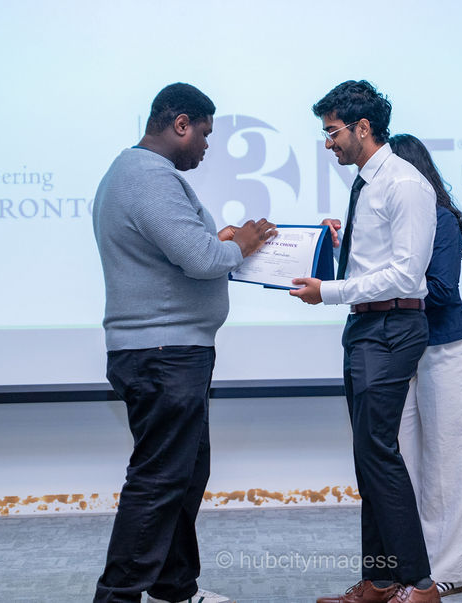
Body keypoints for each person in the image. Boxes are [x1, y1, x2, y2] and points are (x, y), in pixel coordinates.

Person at [91, 82, 276, 603]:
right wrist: (240, 244)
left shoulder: (131, 173)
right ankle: (117, 597)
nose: (206, 146)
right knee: (158, 483)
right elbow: (200, 260)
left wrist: (219, 243)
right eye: (205, 135)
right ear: (180, 125)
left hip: (165, 352)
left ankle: (174, 589)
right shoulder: (151, 177)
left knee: (182, 477)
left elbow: (176, 253)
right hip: (164, 355)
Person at [290, 80, 440, 603]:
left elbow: (405, 276)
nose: (327, 143)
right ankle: (379, 581)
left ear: (363, 127)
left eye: (332, 132)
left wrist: (329, 292)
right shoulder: (365, 183)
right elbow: (377, 262)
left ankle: (420, 585)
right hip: (365, 328)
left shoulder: (404, 184)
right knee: (368, 457)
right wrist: (338, 247)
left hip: (392, 327)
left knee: (377, 452)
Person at [388, 134, 462, 598]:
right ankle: (410, 567)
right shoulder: (387, 219)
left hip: (443, 345)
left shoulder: (441, 219)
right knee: (398, 460)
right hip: (397, 348)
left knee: (446, 462)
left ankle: (446, 572)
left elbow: (441, 290)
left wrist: (388, 284)